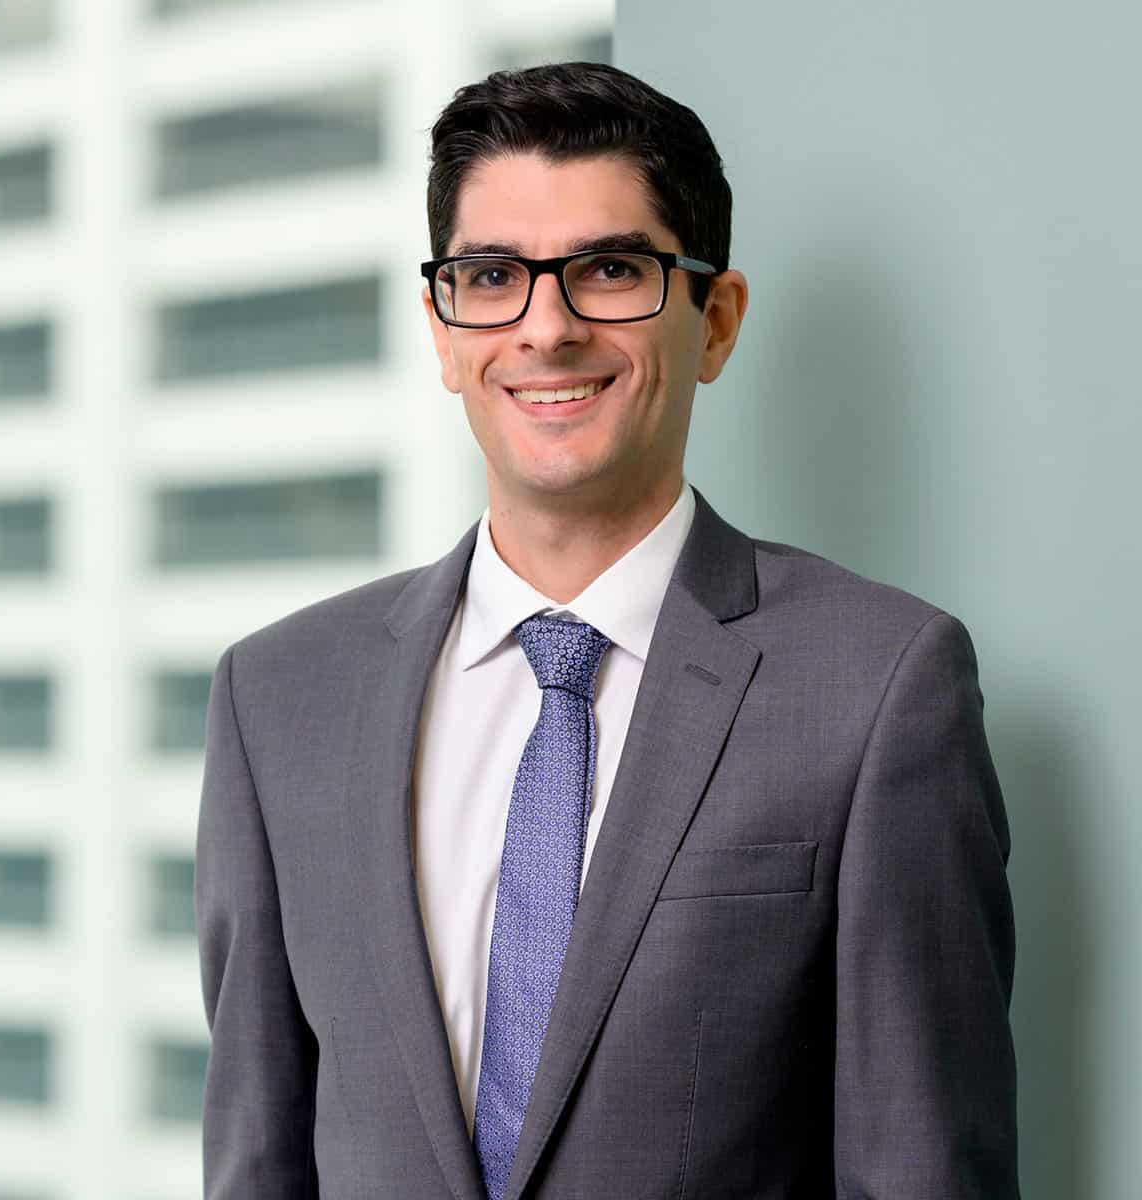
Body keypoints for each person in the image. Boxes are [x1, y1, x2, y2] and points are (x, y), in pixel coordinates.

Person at [195, 61, 1019, 1199]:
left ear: (716, 320)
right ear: (444, 330)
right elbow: (255, 1161)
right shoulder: (276, 697)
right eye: (492, 276)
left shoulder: (881, 688)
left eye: (612, 270)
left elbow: (920, 1170)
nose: (548, 328)